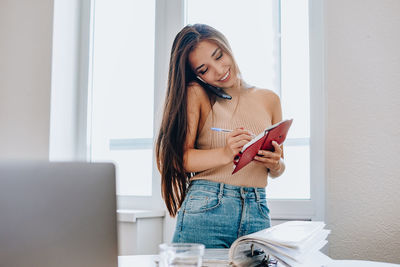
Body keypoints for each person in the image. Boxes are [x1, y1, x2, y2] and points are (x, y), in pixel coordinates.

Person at [155, 24, 286, 248]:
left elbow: (279, 168)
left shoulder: (270, 99)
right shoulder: (197, 93)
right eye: (204, 70)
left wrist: (275, 164)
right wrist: (226, 152)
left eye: (219, 56)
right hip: (208, 208)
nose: (218, 70)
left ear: (226, 46)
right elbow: (179, 159)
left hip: (257, 209)